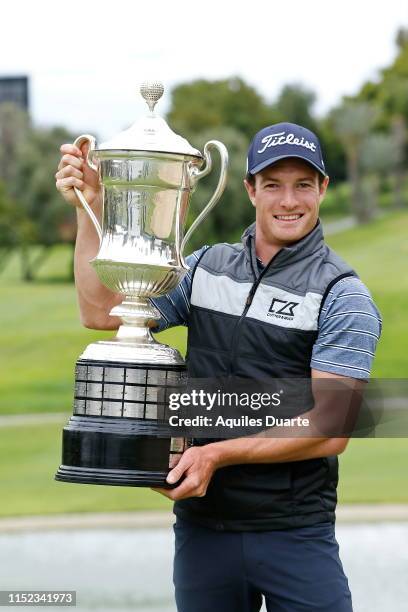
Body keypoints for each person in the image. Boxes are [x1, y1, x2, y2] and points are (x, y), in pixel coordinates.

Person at [56, 122, 382, 611]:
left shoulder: (344, 295)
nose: (288, 200)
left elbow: (332, 425)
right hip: (203, 532)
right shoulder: (207, 268)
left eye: (302, 185)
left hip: (294, 535)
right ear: (250, 190)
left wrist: (217, 454)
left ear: (323, 189)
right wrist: (91, 208)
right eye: (272, 184)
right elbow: (100, 312)